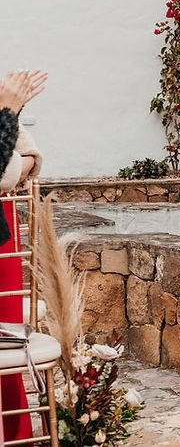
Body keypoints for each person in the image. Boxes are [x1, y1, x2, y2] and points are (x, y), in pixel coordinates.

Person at [0, 69, 46, 442]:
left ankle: (15, 431)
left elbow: (29, 150)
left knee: (9, 332)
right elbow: (6, 171)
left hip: (4, 226)